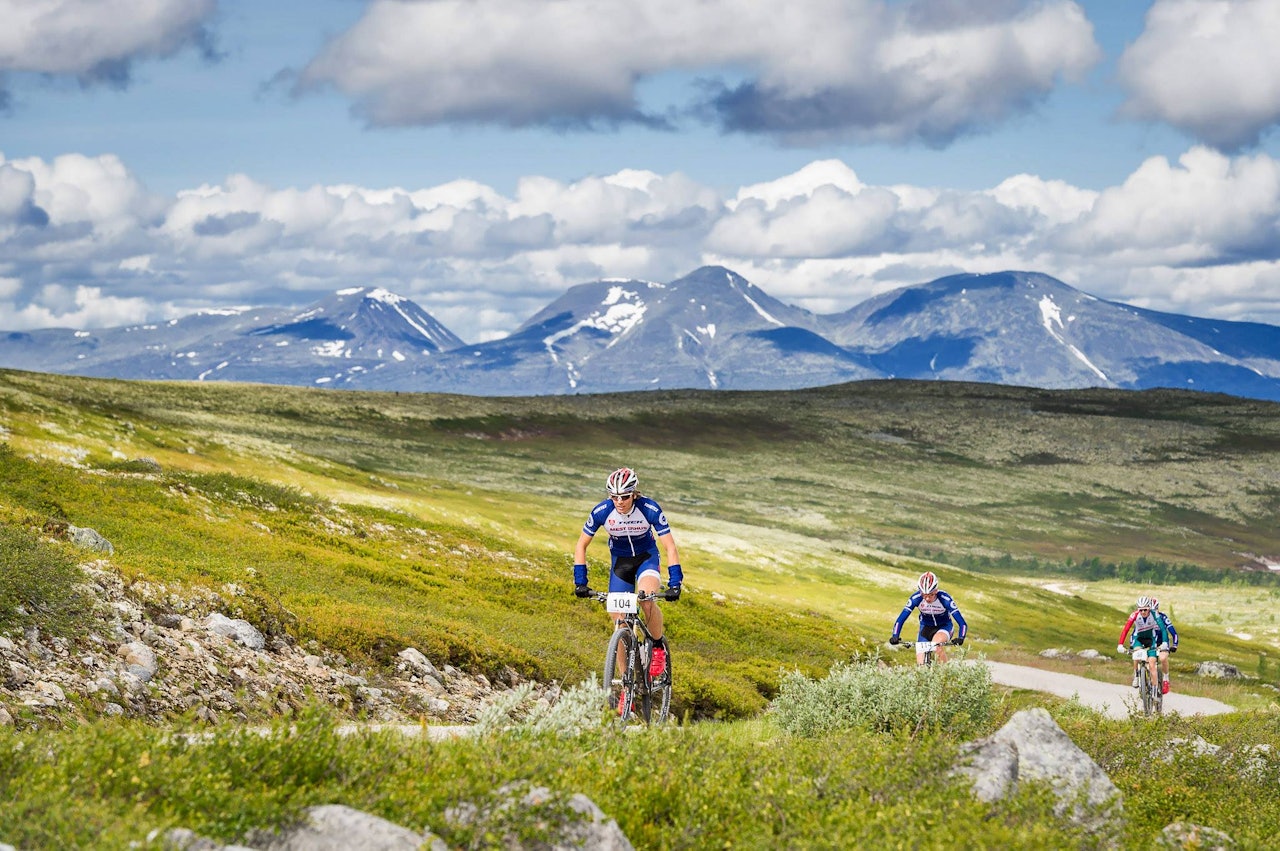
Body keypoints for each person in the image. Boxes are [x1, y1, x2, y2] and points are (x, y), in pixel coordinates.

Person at [572, 467, 684, 693]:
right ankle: (627, 685)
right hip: (621, 564)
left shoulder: (649, 508)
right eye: (614, 497)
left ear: (634, 493)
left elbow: (669, 546)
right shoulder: (602, 511)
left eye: (624, 496)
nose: (619, 501)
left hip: (647, 559)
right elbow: (581, 545)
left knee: (645, 599)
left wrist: (675, 583)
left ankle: (657, 645)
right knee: (620, 624)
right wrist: (580, 582)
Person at [889, 571, 967, 664]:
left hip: (944, 627)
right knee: (921, 666)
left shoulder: (945, 599)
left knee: (936, 645)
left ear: (936, 590)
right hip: (925, 628)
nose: (927, 599)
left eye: (931, 595)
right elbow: (901, 619)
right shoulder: (916, 598)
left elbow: (962, 623)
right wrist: (895, 636)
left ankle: (946, 673)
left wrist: (961, 637)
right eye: (924, 595)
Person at [1118, 596, 1170, 694]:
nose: (1143, 612)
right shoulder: (1134, 615)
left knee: (1152, 664)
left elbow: (1163, 629)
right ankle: (1136, 675)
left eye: (1145, 610)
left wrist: (1164, 643)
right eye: (1140, 610)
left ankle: (1155, 690)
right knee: (1136, 653)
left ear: (1149, 608)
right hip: (1138, 639)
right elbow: (1125, 629)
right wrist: (1120, 644)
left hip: (1151, 639)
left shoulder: (1155, 614)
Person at [1148, 597, 1179, 694]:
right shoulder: (1144, 619)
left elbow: (1174, 633)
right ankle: (1144, 682)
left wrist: (1174, 645)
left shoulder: (1163, 617)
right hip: (1150, 642)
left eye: (1155, 610)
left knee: (1162, 658)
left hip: (1162, 643)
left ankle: (1166, 679)